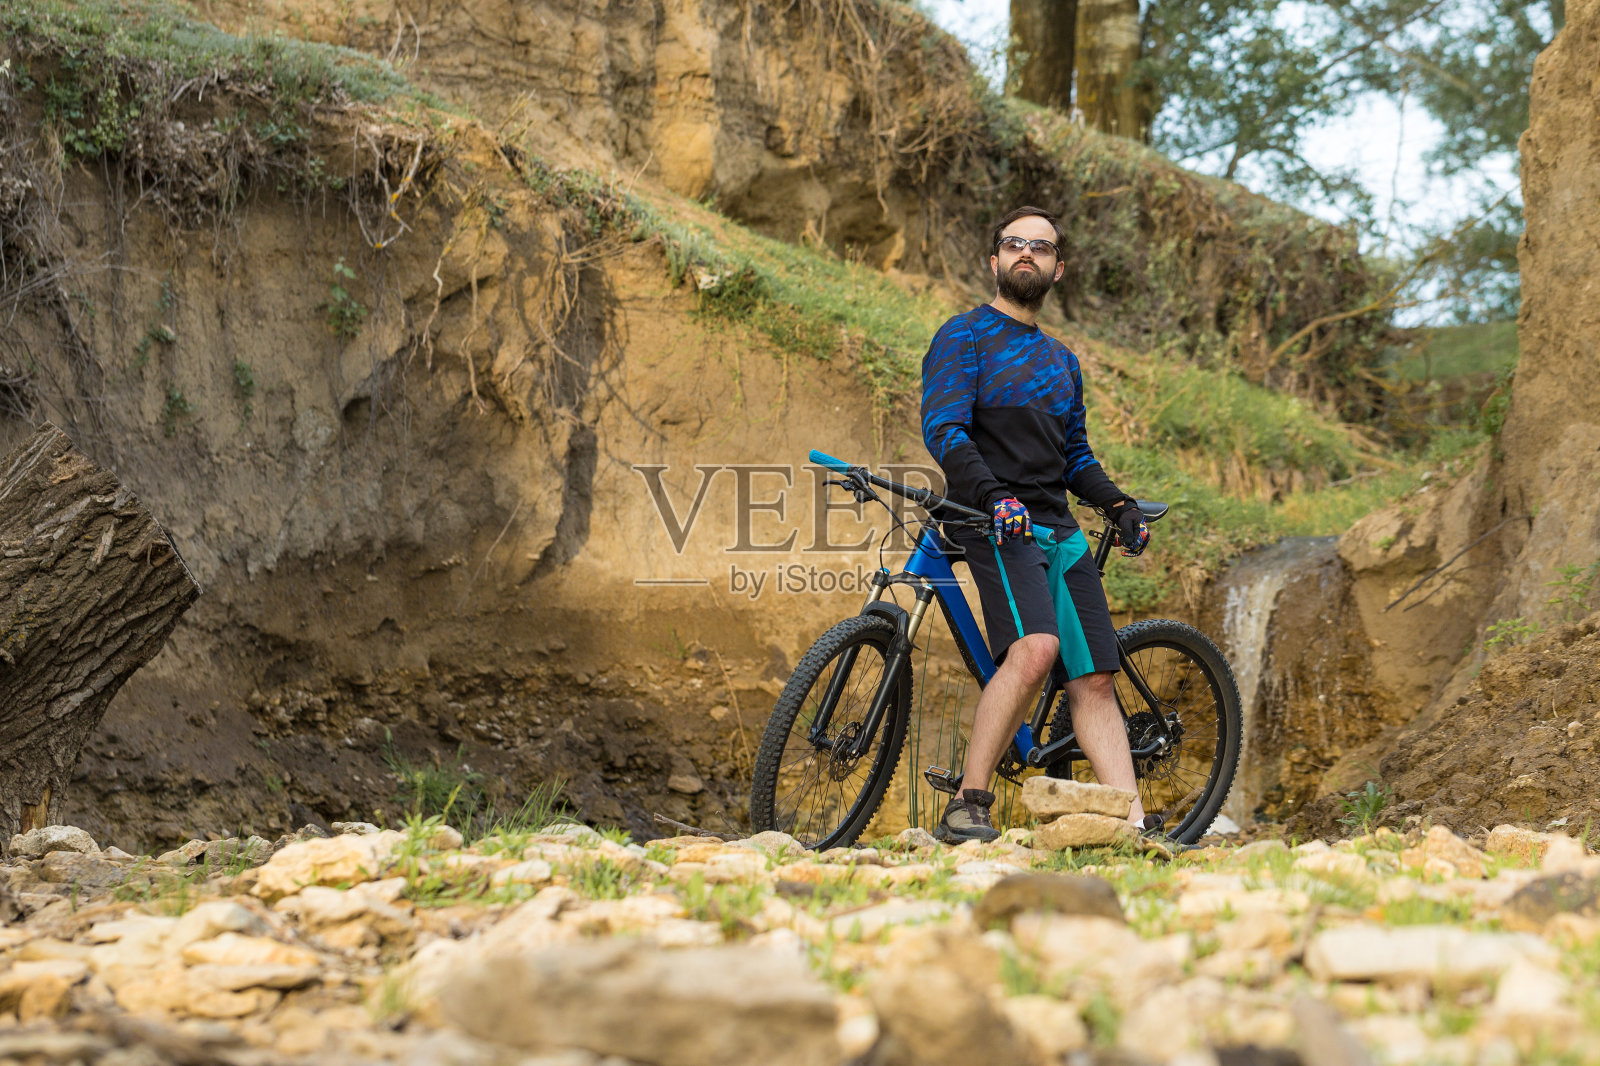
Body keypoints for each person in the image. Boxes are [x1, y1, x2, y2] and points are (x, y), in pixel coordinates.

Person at [920, 205, 1154, 845]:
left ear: (1057, 269)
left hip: (1058, 528)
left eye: (1042, 247)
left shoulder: (1061, 361)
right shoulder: (963, 336)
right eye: (1015, 244)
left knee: (1095, 679)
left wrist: (1118, 503)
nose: (1028, 253)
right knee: (1035, 650)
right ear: (994, 260)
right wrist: (995, 495)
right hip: (990, 517)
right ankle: (969, 803)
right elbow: (944, 428)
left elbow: (1075, 455)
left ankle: (1132, 826)